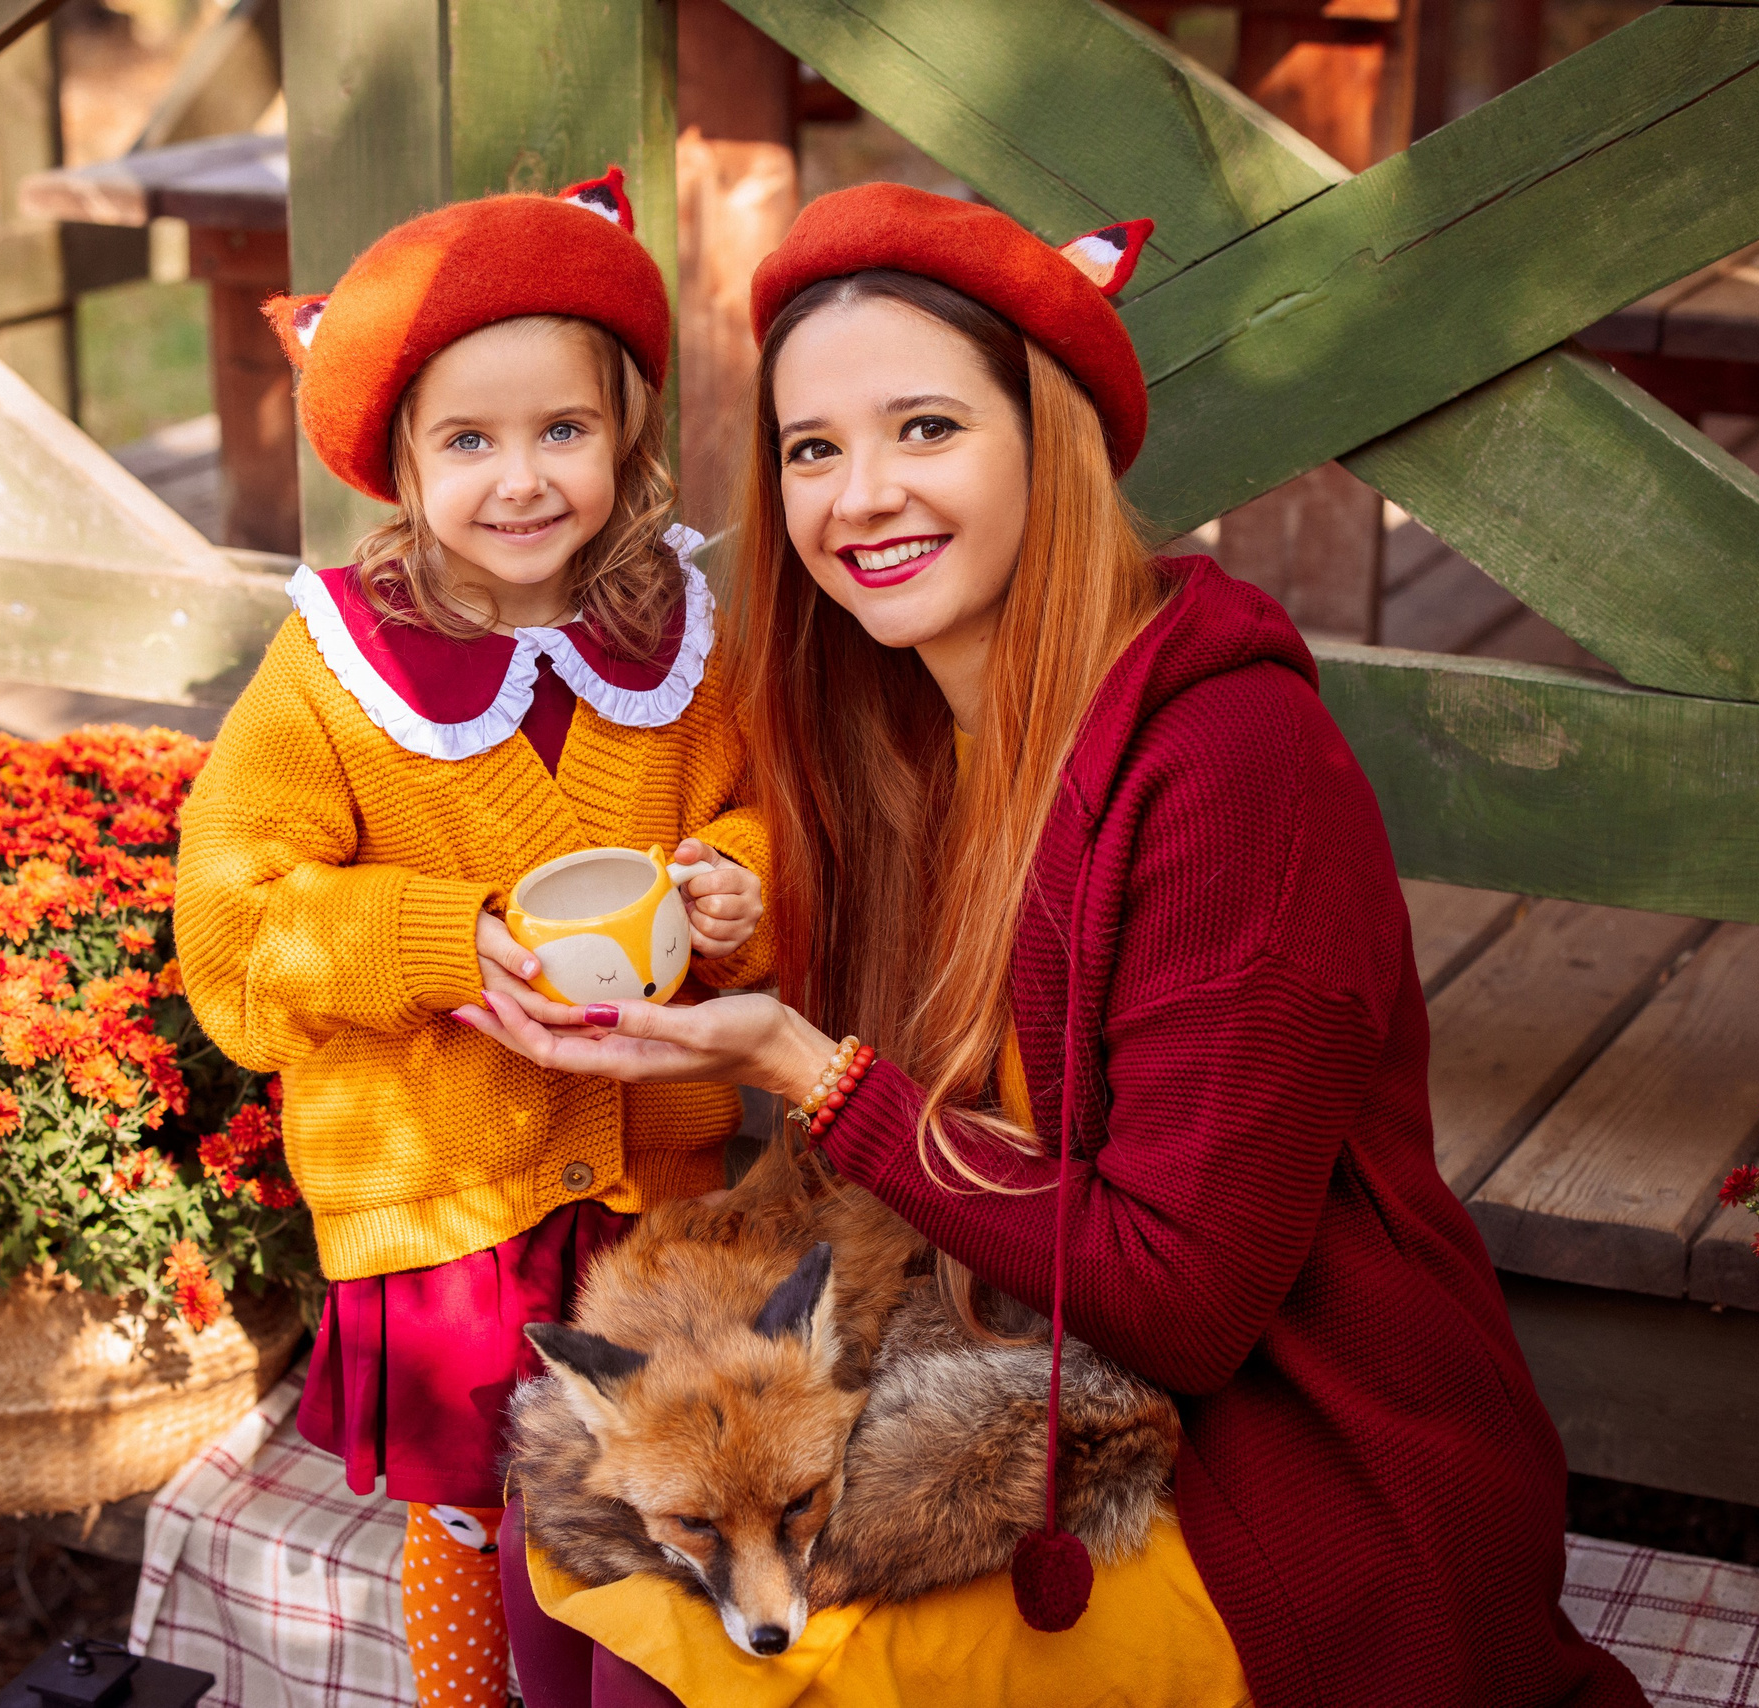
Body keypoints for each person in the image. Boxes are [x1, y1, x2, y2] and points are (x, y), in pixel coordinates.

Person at [459, 183, 1647, 1708]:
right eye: (812, 450)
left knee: (710, 1666)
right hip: (995, 1328)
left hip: (1274, 1442)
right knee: (567, 1549)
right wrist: (700, 973)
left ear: (1050, 441)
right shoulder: (889, 728)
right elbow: (913, 1086)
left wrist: (800, 1063)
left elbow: (1185, 1300)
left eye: (927, 429)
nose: (859, 495)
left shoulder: (1228, 763)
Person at [172, 168, 772, 1708]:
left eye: (562, 431)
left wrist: (737, 885)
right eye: (470, 442)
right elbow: (235, 928)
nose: (522, 480)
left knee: (646, 1488)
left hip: (652, 1186)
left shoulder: (680, 631)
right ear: (402, 461)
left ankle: (618, 1683)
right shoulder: (333, 671)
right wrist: (440, 941)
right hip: (450, 1204)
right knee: (476, 1496)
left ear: (625, 429)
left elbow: (760, 811)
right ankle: (472, 1693)